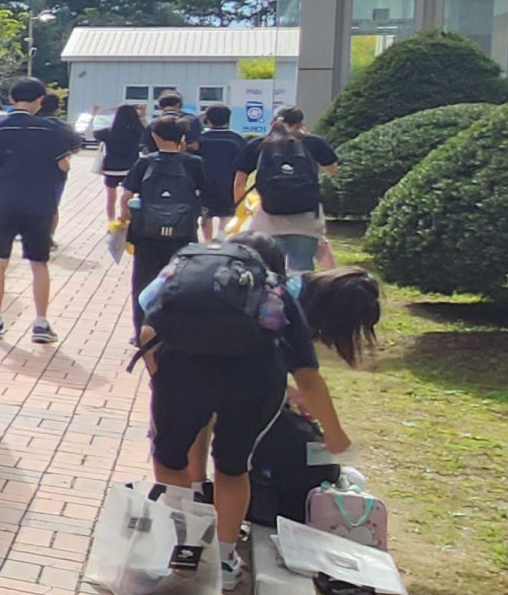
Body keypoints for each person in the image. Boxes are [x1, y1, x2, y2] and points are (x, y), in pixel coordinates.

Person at [138, 241, 379, 570]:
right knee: (233, 468)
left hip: (182, 374)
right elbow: (308, 377)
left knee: (168, 460)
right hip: (252, 382)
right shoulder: (278, 293)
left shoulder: (180, 277)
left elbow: (147, 326)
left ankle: (180, 547)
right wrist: (336, 436)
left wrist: (162, 380)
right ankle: (223, 560)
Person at [0, 78, 79, 345]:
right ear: (40, 100)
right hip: (40, 204)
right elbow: (64, 165)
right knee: (39, 262)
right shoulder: (51, 131)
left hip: (4, 202)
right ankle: (41, 323)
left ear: (11, 99)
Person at [121, 114, 207, 342]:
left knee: (143, 282)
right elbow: (204, 195)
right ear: (182, 138)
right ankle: (174, 331)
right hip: (183, 234)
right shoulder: (193, 163)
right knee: (180, 281)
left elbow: (127, 195)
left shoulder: (145, 162)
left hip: (146, 234)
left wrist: (124, 218)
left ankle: (141, 333)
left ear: (154, 136)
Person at [240, 106, 342, 270]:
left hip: (269, 216)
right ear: (301, 123)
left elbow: (240, 181)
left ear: (273, 122)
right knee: (301, 267)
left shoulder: (259, 144)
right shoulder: (313, 142)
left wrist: (241, 207)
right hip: (306, 218)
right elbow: (332, 170)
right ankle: (300, 287)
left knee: (271, 268)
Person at [196, 103, 249, 229]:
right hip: (229, 183)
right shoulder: (237, 139)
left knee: (206, 215)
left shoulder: (200, 139)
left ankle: (208, 240)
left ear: (207, 119)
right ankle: (222, 237)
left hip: (205, 183)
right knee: (227, 215)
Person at [98, 102, 146, 222]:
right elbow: (147, 129)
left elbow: (89, 134)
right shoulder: (137, 132)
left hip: (111, 168)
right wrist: (142, 115)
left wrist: (94, 114)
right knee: (128, 197)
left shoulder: (108, 132)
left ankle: (111, 222)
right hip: (130, 169)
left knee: (110, 198)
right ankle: (125, 219)